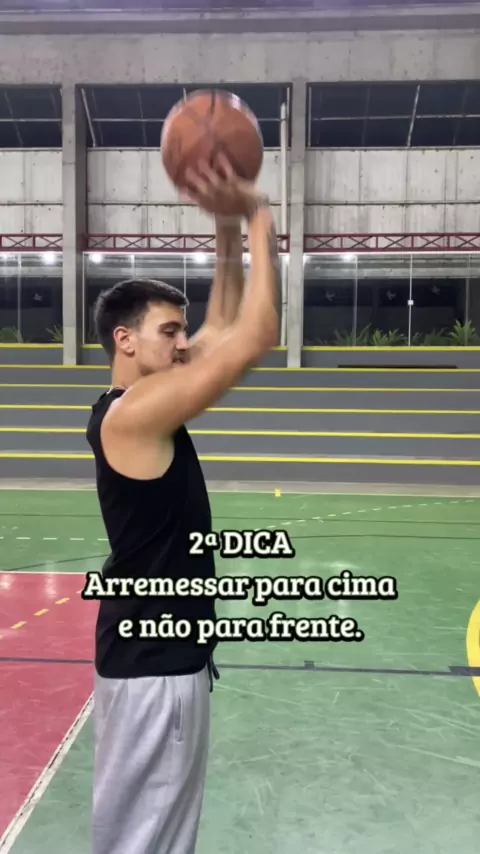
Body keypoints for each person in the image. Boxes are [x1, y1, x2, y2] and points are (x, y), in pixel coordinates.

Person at [85, 154, 281, 854]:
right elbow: (254, 338)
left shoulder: (141, 401)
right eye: (170, 331)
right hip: (154, 668)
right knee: (145, 841)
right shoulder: (134, 414)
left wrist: (224, 232)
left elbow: (223, 324)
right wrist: (257, 214)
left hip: (160, 658)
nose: (184, 342)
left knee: (151, 833)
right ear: (125, 340)